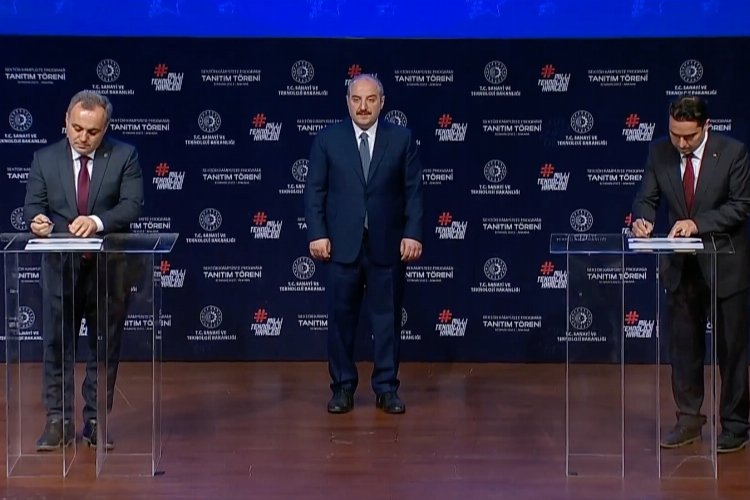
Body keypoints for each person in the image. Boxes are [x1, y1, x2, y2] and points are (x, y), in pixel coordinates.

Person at [24, 90, 144, 450]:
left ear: (105, 129)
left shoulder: (124, 156)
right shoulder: (45, 159)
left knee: (104, 347)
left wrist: (96, 221)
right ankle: (57, 421)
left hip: (108, 270)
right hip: (61, 269)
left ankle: (95, 421)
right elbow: (33, 206)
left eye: (92, 131)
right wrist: (38, 221)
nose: (82, 137)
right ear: (66, 120)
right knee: (56, 345)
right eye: (76, 128)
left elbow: (132, 205)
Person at [632, 95, 750, 453]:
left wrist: (696, 223)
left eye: (689, 136)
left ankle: (735, 425)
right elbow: (646, 198)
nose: (681, 143)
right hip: (682, 269)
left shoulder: (733, 153)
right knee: (684, 349)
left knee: (732, 351)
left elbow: (741, 206)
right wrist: (642, 219)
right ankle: (688, 420)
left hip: (725, 266)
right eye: (675, 135)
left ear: (706, 127)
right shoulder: (659, 152)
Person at [304, 74, 423, 414]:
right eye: (356, 99)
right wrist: (317, 233)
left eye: (371, 99)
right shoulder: (328, 139)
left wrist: (413, 233)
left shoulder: (401, 139)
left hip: (388, 245)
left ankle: (386, 388)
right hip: (341, 247)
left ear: (382, 103)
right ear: (347, 102)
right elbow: (314, 191)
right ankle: (342, 388)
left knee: (387, 322)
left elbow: (414, 191)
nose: (363, 107)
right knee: (341, 322)